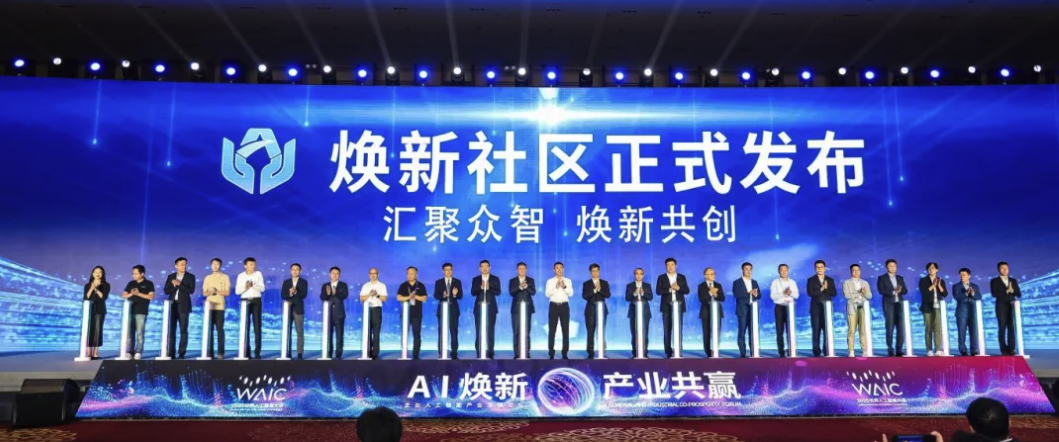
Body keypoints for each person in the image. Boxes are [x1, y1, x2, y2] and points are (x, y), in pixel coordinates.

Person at [656, 257, 690, 359]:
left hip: (678, 307)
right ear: (665, 266)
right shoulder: (661, 277)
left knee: (678, 329)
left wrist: (678, 288)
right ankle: (668, 352)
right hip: (666, 307)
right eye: (668, 265)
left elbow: (687, 290)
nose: (670, 267)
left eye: (672, 265)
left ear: (676, 266)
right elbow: (658, 291)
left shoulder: (681, 277)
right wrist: (670, 289)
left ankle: (678, 350)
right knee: (667, 330)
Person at [163, 257, 196, 359]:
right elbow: (166, 291)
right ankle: (171, 353)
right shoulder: (171, 276)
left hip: (184, 306)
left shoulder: (191, 277)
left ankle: (182, 353)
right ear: (176, 266)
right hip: (172, 306)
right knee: (171, 330)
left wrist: (179, 284)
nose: (184, 266)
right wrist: (174, 286)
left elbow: (191, 291)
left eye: (185, 264)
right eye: (181, 264)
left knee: (183, 330)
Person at [122, 265, 155, 360]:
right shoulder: (131, 283)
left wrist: (138, 293)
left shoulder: (149, 283)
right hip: (130, 311)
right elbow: (123, 296)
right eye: (133, 273)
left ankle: (138, 351)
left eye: (136, 273)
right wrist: (131, 293)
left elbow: (151, 297)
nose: (134, 275)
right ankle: (129, 351)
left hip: (141, 311)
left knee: (140, 333)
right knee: (129, 333)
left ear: (142, 274)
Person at [876, 258, 908, 357]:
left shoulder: (900, 278)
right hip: (889, 305)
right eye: (890, 266)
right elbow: (881, 290)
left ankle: (899, 349)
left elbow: (905, 290)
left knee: (901, 328)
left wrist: (900, 291)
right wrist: (894, 292)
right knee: (889, 328)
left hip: (899, 304)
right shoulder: (882, 278)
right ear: (886, 267)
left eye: (894, 266)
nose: (893, 268)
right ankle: (890, 349)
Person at [990, 262, 1022, 356]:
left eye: (1006, 268)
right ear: (998, 269)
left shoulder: (1013, 280)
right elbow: (994, 294)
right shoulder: (994, 281)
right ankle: (1003, 349)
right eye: (1002, 268)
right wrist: (1006, 291)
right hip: (1001, 306)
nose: (1005, 270)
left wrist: (1013, 291)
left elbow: (1019, 294)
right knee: (1002, 327)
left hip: (1012, 305)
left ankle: (1011, 349)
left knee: (1011, 327)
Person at [806, 259, 837, 357]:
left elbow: (834, 293)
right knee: (816, 329)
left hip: (827, 308)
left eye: (821, 267)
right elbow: (810, 293)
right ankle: (816, 350)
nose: (819, 269)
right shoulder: (811, 280)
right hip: (815, 308)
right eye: (817, 267)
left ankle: (826, 349)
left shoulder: (830, 280)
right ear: (815, 268)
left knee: (827, 330)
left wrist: (826, 289)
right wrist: (821, 289)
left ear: (825, 268)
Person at [235, 257, 265, 359]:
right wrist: (246, 287)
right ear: (245, 266)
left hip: (256, 300)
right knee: (245, 327)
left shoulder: (258, 274)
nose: (253, 266)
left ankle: (257, 352)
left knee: (257, 327)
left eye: (254, 264)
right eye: (251, 264)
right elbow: (237, 292)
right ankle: (246, 351)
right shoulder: (241, 276)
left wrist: (253, 285)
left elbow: (262, 288)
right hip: (245, 301)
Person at [471, 260, 500, 359]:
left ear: (490, 267)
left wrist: (489, 288)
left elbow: (498, 292)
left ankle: (491, 351)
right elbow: (473, 292)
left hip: (491, 308)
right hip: (479, 308)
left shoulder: (495, 279)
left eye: (486, 266)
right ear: (480, 268)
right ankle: (479, 351)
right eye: (482, 266)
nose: (484, 268)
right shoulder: (476, 279)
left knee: (490, 330)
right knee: (479, 330)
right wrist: (480, 288)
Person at [396, 266, 427, 359]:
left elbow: (424, 298)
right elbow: (399, 297)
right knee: (404, 333)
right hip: (405, 314)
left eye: (412, 273)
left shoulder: (421, 285)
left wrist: (415, 296)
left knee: (416, 334)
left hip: (417, 314)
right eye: (408, 273)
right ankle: (404, 353)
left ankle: (415, 354)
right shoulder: (403, 285)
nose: (409, 275)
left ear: (416, 274)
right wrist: (409, 297)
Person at [842, 264, 873, 357]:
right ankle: (851, 350)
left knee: (863, 330)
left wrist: (864, 293)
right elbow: (847, 295)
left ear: (860, 271)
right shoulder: (846, 283)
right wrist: (859, 292)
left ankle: (864, 350)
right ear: (851, 272)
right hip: (852, 308)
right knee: (851, 330)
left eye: (858, 270)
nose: (856, 272)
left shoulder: (865, 283)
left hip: (863, 308)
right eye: (854, 270)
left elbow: (869, 296)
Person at [202, 258, 230, 359]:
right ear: (211, 266)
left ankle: (221, 352)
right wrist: (210, 292)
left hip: (220, 306)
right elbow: (204, 293)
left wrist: (216, 291)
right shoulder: (207, 278)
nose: (215, 266)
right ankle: (209, 352)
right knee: (209, 330)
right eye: (213, 264)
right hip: (209, 307)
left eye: (217, 264)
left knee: (220, 330)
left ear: (220, 265)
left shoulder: (225, 277)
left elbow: (227, 292)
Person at [433, 262, 462, 359]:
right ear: (443, 271)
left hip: (453, 310)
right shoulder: (438, 282)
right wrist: (443, 295)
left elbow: (460, 296)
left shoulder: (457, 282)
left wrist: (454, 294)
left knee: (454, 332)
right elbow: (436, 295)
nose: (449, 272)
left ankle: (454, 352)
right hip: (442, 310)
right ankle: (441, 352)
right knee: (441, 331)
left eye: (450, 270)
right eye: (446, 270)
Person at [918, 262, 948, 356]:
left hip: (938, 306)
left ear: (937, 270)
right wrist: (932, 286)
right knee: (928, 328)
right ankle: (929, 350)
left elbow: (945, 294)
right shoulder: (923, 280)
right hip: (927, 306)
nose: (931, 269)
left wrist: (938, 285)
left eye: (933, 268)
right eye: (929, 268)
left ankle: (938, 349)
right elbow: (924, 293)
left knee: (937, 328)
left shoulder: (941, 280)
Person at [732, 262, 761, 358]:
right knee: (742, 331)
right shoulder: (737, 282)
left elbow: (759, 295)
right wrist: (749, 293)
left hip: (753, 310)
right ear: (742, 270)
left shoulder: (754, 282)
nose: (748, 271)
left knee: (753, 331)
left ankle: (753, 351)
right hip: (742, 310)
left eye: (750, 269)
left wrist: (756, 294)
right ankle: (743, 352)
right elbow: (737, 295)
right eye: (746, 269)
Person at [545, 261, 573, 360]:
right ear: (554, 270)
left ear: (563, 269)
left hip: (564, 306)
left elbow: (571, 294)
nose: (559, 269)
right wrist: (556, 287)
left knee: (565, 330)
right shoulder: (550, 281)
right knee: (552, 330)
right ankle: (551, 352)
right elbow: (547, 294)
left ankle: (565, 352)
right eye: (557, 268)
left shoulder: (568, 281)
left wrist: (564, 287)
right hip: (553, 306)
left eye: (561, 268)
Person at [280, 263, 309, 359]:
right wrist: (290, 294)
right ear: (290, 271)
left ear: (300, 271)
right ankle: (287, 351)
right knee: (287, 331)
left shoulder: (304, 282)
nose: (295, 271)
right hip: (287, 308)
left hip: (298, 308)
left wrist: (296, 292)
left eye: (297, 269)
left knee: (300, 331)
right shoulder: (286, 282)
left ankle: (300, 353)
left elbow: (304, 295)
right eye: (293, 269)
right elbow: (283, 295)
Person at [582, 263, 611, 359]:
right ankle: (590, 353)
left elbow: (607, 295)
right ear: (590, 272)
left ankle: (602, 352)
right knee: (590, 332)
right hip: (590, 311)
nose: (595, 272)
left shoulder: (604, 283)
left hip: (602, 310)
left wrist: (600, 290)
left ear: (599, 271)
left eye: (596, 270)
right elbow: (585, 296)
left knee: (602, 331)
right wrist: (594, 290)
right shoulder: (586, 284)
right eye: (593, 271)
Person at [770, 264, 799, 358]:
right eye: (781, 270)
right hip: (779, 307)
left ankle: (791, 350)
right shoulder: (775, 282)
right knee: (780, 331)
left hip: (790, 308)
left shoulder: (792, 282)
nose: (783, 272)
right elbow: (773, 296)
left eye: (785, 270)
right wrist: (783, 293)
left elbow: (796, 295)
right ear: (778, 271)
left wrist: (790, 292)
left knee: (790, 330)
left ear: (788, 270)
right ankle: (781, 352)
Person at [508, 262, 536, 359]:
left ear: (526, 269)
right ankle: (517, 353)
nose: (522, 270)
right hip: (516, 309)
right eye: (520, 268)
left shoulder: (530, 280)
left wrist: (526, 287)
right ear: (517, 270)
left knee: (526, 332)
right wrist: (520, 287)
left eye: (524, 268)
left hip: (527, 309)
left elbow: (533, 292)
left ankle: (526, 352)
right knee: (516, 331)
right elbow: (511, 292)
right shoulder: (513, 281)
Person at [359, 267, 388, 360]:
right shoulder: (365, 286)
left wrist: (377, 295)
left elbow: (384, 298)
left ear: (378, 274)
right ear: (369, 275)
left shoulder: (382, 285)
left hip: (376, 309)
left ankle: (375, 353)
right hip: (367, 310)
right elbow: (361, 298)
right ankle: (367, 351)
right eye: (371, 273)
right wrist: (369, 295)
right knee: (367, 331)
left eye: (375, 273)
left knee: (376, 332)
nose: (373, 275)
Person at [952, 268, 982, 356]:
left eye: (964, 275)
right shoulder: (956, 286)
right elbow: (956, 297)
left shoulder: (975, 286)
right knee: (961, 332)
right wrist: (965, 293)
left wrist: (972, 294)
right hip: (961, 312)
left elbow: (979, 297)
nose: (962, 276)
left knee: (974, 332)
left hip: (973, 311)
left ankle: (974, 350)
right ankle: (962, 349)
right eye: (960, 275)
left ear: (969, 276)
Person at [82, 265, 110, 360]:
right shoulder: (87, 285)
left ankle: (95, 353)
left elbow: (103, 297)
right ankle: (88, 352)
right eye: (96, 272)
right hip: (89, 310)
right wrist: (91, 288)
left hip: (100, 310)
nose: (98, 274)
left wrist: (96, 289)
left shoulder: (106, 285)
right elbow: (86, 298)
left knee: (97, 330)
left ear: (102, 274)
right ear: (93, 273)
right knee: (89, 330)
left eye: (100, 272)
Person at [322, 266, 349, 359]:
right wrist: (328, 294)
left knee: (339, 335)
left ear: (339, 275)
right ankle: (328, 353)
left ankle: (338, 354)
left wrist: (335, 292)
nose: (335, 275)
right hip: (328, 314)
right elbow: (322, 297)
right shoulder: (325, 285)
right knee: (328, 335)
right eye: (333, 273)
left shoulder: (343, 285)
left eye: (337, 273)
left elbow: (345, 296)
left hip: (339, 313)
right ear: (329, 274)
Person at [625, 268, 653, 358]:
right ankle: (635, 353)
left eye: (641, 274)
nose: (639, 275)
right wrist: (634, 293)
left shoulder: (647, 285)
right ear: (634, 275)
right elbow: (627, 298)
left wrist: (643, 293)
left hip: (645, 313)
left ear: (643, 275)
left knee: (645, 333)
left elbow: (650, 297)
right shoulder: (630, 286)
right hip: (633, 312)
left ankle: (644, 353)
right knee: (634, 333)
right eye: (637, 273)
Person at [697, 267, 725, 357]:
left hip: (717, 312)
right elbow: (702, 299)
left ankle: (715, 351)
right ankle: (708, 353)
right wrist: (710, 293)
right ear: (706, 276)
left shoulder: (718, 285)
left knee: (717, 332)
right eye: (711, 274)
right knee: (707, 333)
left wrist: (715, 294)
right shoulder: (701, 286)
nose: (713, 275)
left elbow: (722, 298)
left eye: (714, 273)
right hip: (706, 313)